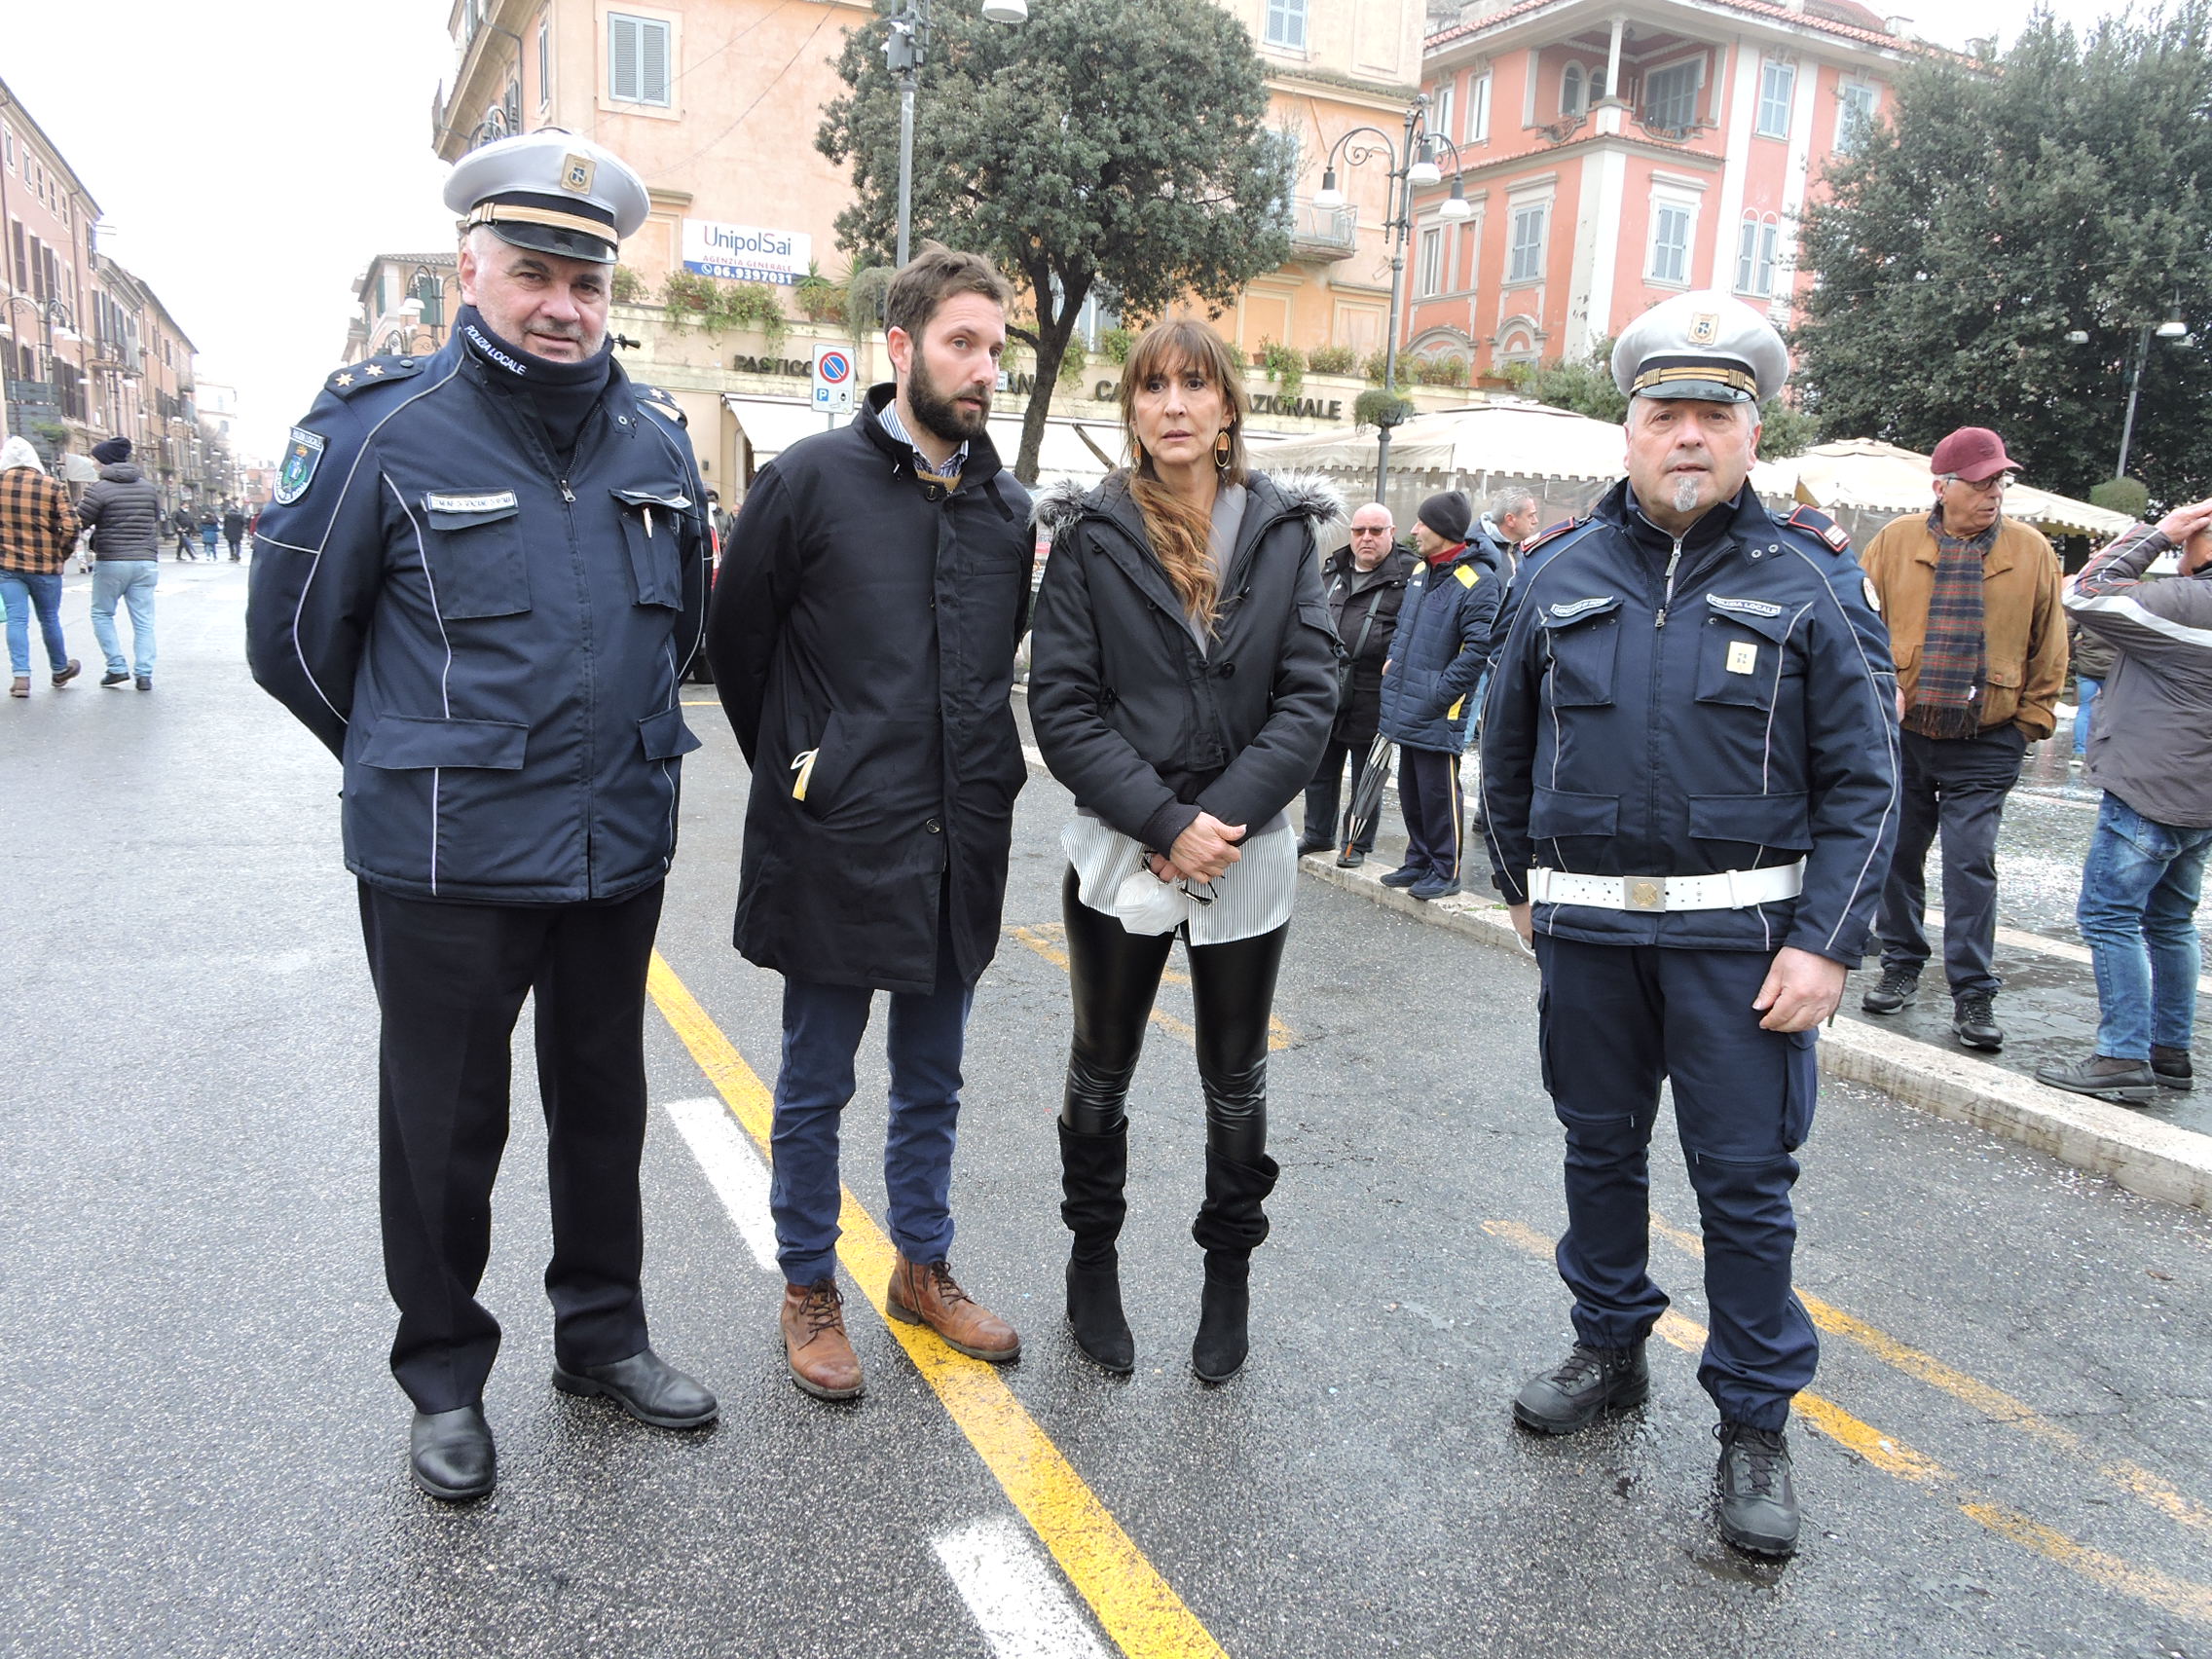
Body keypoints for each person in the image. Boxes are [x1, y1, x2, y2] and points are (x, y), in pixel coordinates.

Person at [246, 129, 717, 1502]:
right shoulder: (378, 429)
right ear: (472, 268)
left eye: (587, 278)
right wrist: (418, 760)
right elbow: (295, 646)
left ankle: (602, 1338)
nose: (563, 303)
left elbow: (678, 626)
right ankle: (443, 1374)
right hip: (444, 861)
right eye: (533, 271)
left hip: (614, 848)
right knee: (444, 1127)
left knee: (603, 1107)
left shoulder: (654, 440)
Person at [1480, 289, 1898, 1559]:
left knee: (1745, 1191)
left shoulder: (1814, 584)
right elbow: (1500, 752)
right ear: (1629, 431)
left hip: (1745, 949)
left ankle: (1753, 1427)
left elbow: (1870, 781)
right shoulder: (1552, 573)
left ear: (1750, 437)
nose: (1688, 435)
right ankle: (1609, 1351)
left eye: (1714, 414)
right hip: (1594, 941)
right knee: (1597, 1157)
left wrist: (1826, 943)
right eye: (1665, 411)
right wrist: (1521, 889)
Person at [706, 245, 1035, 1403]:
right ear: (901, 349)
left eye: (996, 348)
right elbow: (737, 646)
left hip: (958, 839)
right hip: (839, 835)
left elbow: (993, 668)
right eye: (962, 343)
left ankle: (922, 1268)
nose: (984, 367)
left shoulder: (1004, 507)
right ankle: (806, 1284)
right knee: (813, 1080)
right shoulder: (809, 480)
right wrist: (813, 768)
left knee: (933, 1077)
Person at [1029, 318, 1340, 1382]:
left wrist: (1220, 825)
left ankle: (1227, 1275)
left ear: (1226, 408)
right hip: (1124, 845)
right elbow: (1063, 707)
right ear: (1130, 406)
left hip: (1243, 849)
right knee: (1102, 1069)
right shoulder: (1088, 535)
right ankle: (1091, 1259)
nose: (1172, 404)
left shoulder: (1285, 532)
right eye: (1151, 386)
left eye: (1192, 385)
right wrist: (1165, 825)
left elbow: (1309, 697)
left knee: (1235, 1079)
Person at [1857, 427, 2067, 1051]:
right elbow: (1856, 628)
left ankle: (1973, 992)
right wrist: (1870, 707)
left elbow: (2050, 646)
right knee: (1898, 854)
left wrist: (2031, 724)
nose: (1992, 493)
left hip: (1988, 736)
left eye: (1999, 481)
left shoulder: (2031, 551)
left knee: (1971, 862)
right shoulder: (1894, 543)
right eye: (1979, 483)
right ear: (1941, 487)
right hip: (1905, 733)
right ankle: (1901, 962)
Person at [2034, 498, 2212, 1104]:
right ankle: (2170, 1052)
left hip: (2150, 787)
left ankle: (2122, 1056)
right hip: (2200, 798)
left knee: (2110, 916)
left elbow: (2085, 591)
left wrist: (2157, 535)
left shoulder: (2191, 603)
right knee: (2170, 921)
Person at [1375, 491, 1502, 901]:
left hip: (1438, 705)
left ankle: (1445, 870)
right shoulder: (1421, 572)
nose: (1414, 530)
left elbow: (1479, 649)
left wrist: (1440, 692)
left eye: (1421, 523)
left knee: (1439, 790)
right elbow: (1404, 629)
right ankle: (1418, 860)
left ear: (1444, 531)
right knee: (1411, 787)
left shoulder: (1478, 581)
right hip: (1408, 697)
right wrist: (1393, 661)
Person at [1299, 500, 1413, 867]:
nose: (1366, 538)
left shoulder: (1409, 575)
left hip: (1372, 690)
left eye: (1376, 531)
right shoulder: (1333, 568)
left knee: (1367, 775)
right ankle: (1317, 834)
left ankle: (1356, 844)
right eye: (1359, 531)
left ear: (1391, 533)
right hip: (1328, 685)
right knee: (1319, 768)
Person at [75, 437, 162, 689]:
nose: (92, 463)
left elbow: (80, 520)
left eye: (94, 459)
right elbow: (154, 518)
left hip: (112, 559)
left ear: (103, 461)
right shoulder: (148, 488)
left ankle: (116, 667)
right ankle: (144, 674)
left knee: (102, 613)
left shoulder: (98, 489)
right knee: (144, 619)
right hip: (146, 560)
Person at [0, 435, 82, 696]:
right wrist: (61, 553)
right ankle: (59, 669)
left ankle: (21, 677)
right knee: (49, 618)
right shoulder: (53, 486)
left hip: (8, 565)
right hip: (46, 566)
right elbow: (72, 526)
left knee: (16, 619)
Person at [1479, 486, 1541, 577]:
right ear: (1510, 519)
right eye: (1530, 516)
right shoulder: (1479, 555)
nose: (1536, 521)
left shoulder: (1518, 550)